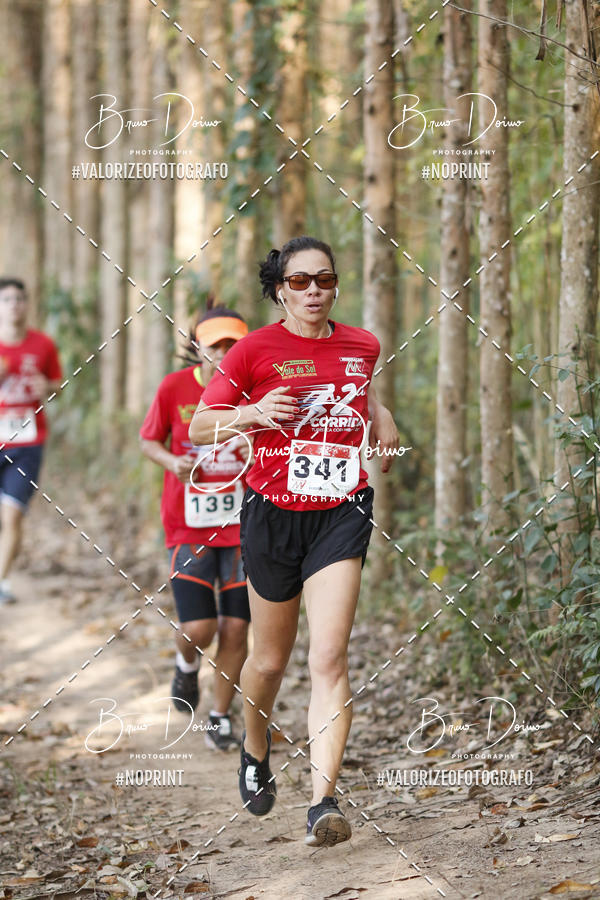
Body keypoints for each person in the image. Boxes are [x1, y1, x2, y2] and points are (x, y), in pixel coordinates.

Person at [189, 236, 399, 845]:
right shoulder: (253, 350)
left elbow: (359, 389)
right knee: (270, 660)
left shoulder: (363, 344)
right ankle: (254, 750)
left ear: (336, 286)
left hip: (341, 509)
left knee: (330, 657)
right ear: (279, 289)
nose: (314, 291)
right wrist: (253, 415)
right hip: (272, 512)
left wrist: (380, 418)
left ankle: (323, 802)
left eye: (325, 280)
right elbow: (204, 424)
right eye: (301, 281)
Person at [140, 301, 251, 751]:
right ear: (198, 349)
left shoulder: (257, 390)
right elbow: (149, 440)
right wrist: (173, 462)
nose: (224, 353)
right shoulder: (174, 389)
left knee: (237, 629)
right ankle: (187, 667)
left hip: (245, 527)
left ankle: (221, 717)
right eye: (215, 345)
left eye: (233, 345)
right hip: (190, 526)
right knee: (200, 629)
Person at [0, 278, 62, 605]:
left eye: (19, 299)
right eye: (7, 299)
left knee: (11, 515)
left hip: (27, 441)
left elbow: (57, 384)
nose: (14, 305)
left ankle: (2, 580)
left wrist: (47, 388)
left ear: (26, 304)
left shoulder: (43, 345)